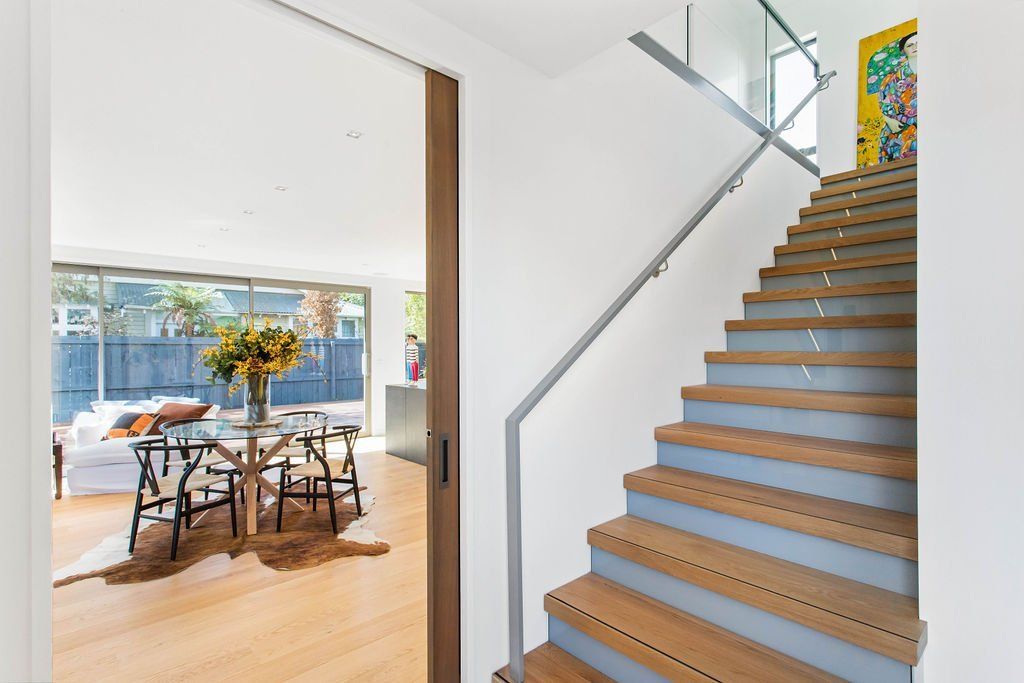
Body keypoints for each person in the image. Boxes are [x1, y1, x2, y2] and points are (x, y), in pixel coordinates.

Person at [876, 31, 918, 164]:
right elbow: (883, 103)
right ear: (903, 50)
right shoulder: (893, 76)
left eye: (918, 43)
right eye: (910, 45)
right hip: (898, 126)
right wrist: (889, 120)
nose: (915, 47)